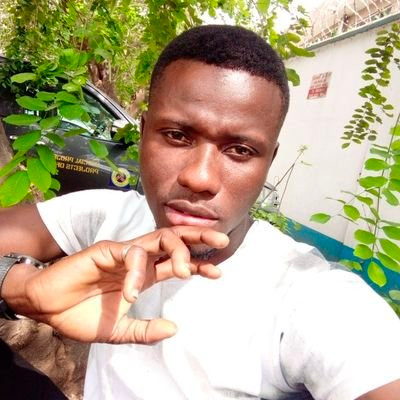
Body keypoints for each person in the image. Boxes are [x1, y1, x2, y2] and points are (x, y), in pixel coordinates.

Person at [1, 24, 400, 400]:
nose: (199, 177)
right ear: (142, 134)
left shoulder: (307, 295)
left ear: (269, 161)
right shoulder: (110, 216)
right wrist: (21, 287)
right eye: (177, 136)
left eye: (240, 150)